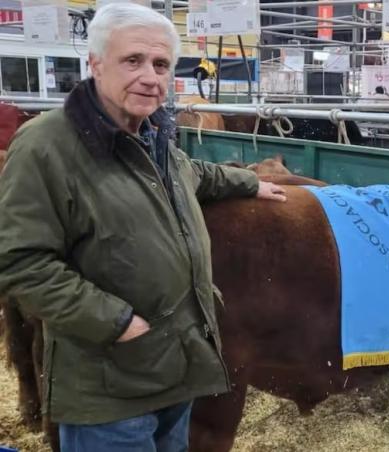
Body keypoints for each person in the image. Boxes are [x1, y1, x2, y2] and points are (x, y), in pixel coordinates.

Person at [0, 3, 286, 451]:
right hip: (109, 390)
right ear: (94, 63)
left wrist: (251, 183)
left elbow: (193, 173)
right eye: (132, 60)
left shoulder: (153, 137)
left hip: (174, 372)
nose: (150, 76)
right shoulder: (46, 146)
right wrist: (116, 322)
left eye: (161, 64)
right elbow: (21, 262)